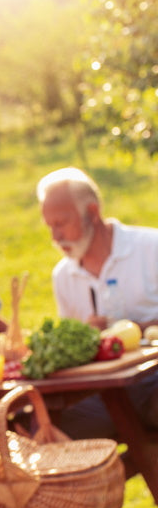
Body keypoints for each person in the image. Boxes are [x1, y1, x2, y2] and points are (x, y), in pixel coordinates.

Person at [37, 166, 158, 437]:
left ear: (92, 212)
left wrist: (137, 327)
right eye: (50, 226)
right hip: (102, 395)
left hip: (153, 380)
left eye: (61, 223)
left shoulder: (151, 248)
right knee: (42, 428)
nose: (55, 237)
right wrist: (85, 339)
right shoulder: (63, 276)